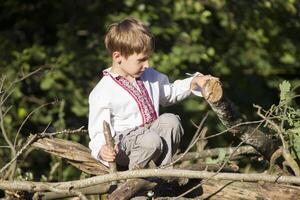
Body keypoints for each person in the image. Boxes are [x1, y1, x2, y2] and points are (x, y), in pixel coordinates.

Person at [88, 17, 219, 170]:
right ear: (118, 57)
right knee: (150, 140)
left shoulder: (150, 76)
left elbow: (168, 93)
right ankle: (133, 183)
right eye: (141, 60)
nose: (147, 65)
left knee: (171, 121)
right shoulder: (103, 91)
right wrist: (102, 150)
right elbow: (97, 132)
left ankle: (162, 177)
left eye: (148, 59)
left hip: (151, 137)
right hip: (123, 145)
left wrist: (193, 82)